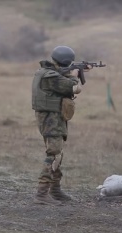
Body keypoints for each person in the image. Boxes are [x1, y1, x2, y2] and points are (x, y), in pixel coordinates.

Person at [32, 45, 88, 205]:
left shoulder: (46, 72)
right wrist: (75, 75)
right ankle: (42, 193)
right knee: (54, 154)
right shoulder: (51, 76)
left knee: (57, 153)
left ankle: (55, 190)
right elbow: (75, 88)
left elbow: (60, 79)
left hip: (53, 117)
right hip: (51, 118)